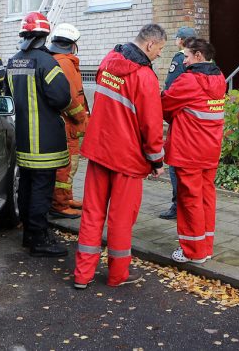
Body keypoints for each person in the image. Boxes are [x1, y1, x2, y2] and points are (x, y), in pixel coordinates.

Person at [74, 24, 168, 288]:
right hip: (126, 157)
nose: (159, 55)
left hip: (99, 150)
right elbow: (151, 124)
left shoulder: (108, 60)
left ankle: (82, 275)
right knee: (121, 217)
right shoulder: (145, 76)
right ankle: (117, 275)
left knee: (92, 213)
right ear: (150, 45)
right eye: (159, 49)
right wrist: (156, 161)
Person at [7, 12, 72, 257]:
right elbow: (62, 98)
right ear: (45, 35)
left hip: (22, 140)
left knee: (25, 187)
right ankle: (39, 240)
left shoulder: (13, 61)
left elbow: (7, 98)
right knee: (42, 191)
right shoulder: (47, 63)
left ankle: (28, 235)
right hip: (44, 143)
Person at [161, 38, 226, 264]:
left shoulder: (188, 80)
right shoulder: (218, 78)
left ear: (198, 56)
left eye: (187, 56)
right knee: (207, 197)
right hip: (210, 150)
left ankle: (193, 251)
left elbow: (165, 106)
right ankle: (206, 247)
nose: (184, 61)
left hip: (188, 150)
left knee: (189, 200)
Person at [47, 23, 90, 220]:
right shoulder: (65, 63)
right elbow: (70, 98)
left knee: (70, 166)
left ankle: (67, 198)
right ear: (73, 44)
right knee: (67, 166)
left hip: (64, 124)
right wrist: (82, 118)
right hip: (68, 126)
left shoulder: (57, 60)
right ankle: (60, 205)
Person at [159, 26, 197, 221]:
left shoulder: (180, 57)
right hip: (199, 123)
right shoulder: (207, 60)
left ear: (182, 40)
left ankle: (178, 206)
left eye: (176, 39)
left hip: (181, 118)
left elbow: (171, 87)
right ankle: (191, 205)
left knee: (175, 164)